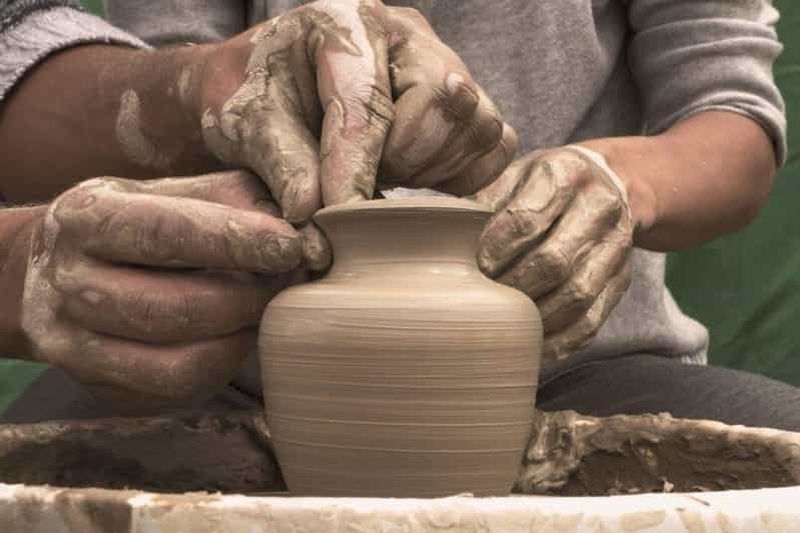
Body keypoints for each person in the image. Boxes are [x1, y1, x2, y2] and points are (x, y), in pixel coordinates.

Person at [2, 0, 800, 430]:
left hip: (583, 355)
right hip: (240, 359)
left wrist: (618, 178)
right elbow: (163, 89)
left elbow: (732, 119)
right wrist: (218, 99)